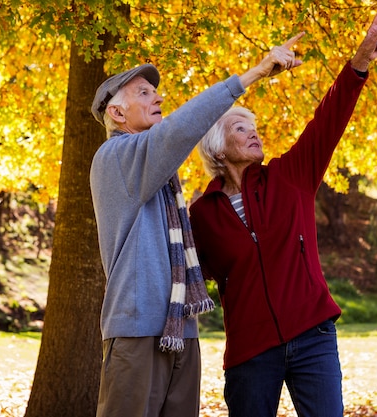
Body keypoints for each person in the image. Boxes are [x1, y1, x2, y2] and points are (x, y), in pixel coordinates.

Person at [88, 32, 305, 417]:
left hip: (180, 331)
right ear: (117, 113)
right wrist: (250, 76)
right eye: (143, 93)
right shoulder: (115, 158)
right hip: (137, 332)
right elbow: (178, 131)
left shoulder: (160, 174)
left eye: (155, 92)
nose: (158, 98)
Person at [189, 5, 377, 417]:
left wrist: (361, 62)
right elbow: (190, 273)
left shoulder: (289, 176)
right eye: (240, 127)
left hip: (312, 334)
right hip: (250, 351)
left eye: (254, 126)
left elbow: (328, 119)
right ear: (215, 148)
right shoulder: (202, 214)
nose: (253, 132)